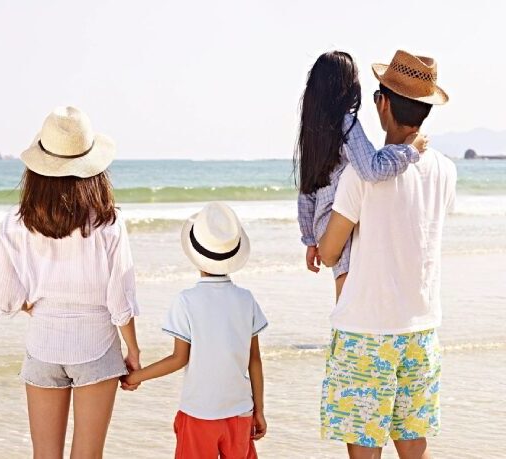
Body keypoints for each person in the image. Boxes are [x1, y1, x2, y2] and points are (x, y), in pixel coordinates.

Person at [318, 50, 456, 459]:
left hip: (366, 331)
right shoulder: (446, 170)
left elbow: (329, 252)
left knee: (365, 448)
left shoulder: (361, 175)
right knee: (414, 445)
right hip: (421, 328)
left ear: (381, 104)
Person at [0, 106, 141, 458]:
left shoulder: (15, 222)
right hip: (97, 346)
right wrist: (133, 350)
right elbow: (120, 298)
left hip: (43, 345)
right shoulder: (108, 222)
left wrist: (42, 305)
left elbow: (5, 299)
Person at [122, 202, 268, 459]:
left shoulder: (187, 300)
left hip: (200, 412)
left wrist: (136, 377)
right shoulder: (246, 299)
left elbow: (179, 358)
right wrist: (259, 410)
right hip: (240, 412)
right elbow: (254, 360)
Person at [296, 51, 428, 299]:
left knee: (343, 292)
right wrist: (410, 151)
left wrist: (310, 239)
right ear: (348, 87)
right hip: (340, 219)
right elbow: (371, 169)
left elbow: (306, 191)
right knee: (349, 290)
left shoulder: (312, 131)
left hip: (323, 223)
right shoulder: (346, 123)